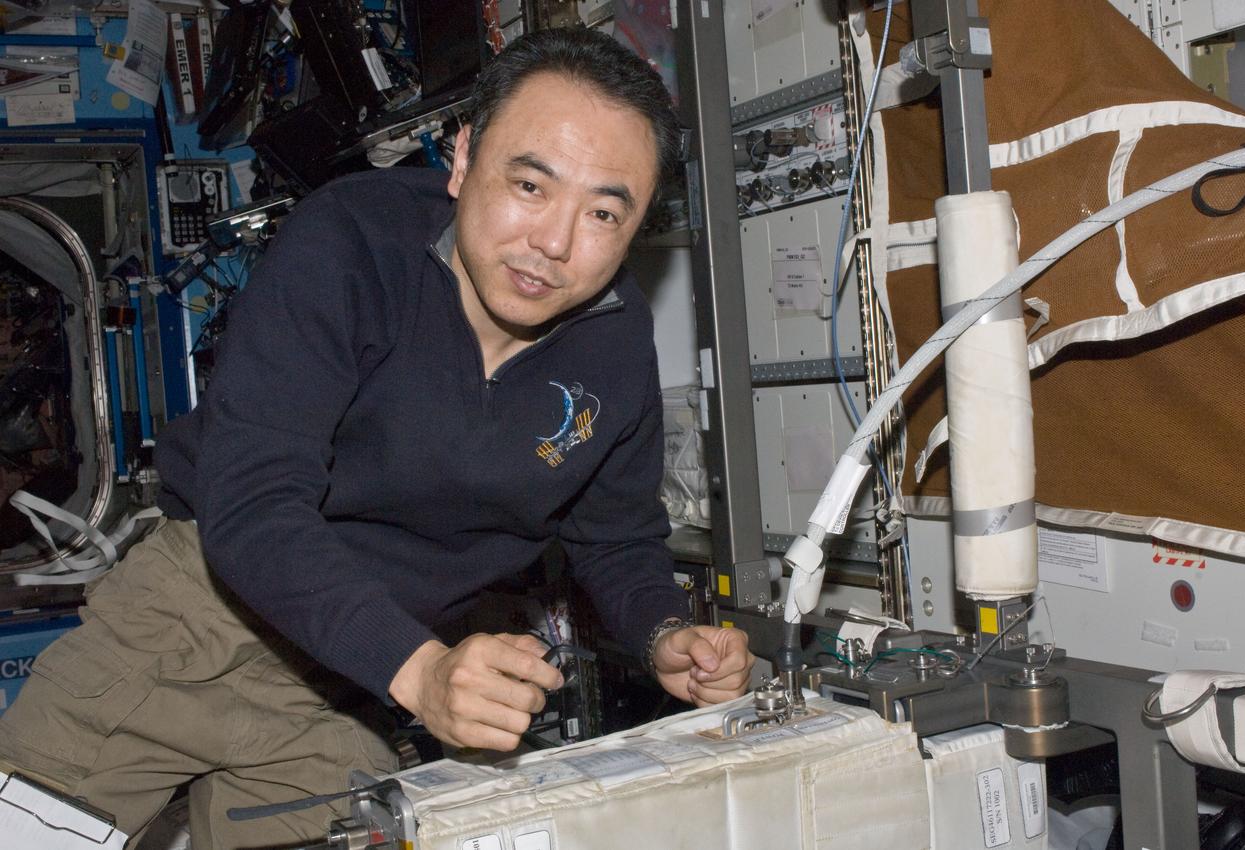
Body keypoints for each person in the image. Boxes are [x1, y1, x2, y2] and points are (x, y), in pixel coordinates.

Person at [0, 26, 754, 849]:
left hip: (349, 686)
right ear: (463, 159)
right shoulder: (350, 242)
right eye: (531, 186)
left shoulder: (615, 344)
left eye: (605, 212)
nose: (556, 243)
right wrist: (424, 672)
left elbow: (615, 537)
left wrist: (664, 635)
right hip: (201, 618)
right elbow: (254, 503)